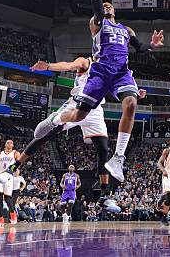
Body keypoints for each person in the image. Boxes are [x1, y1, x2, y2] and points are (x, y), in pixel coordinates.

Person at [31, 0, 164, 184]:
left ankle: (118, 158)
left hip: (121, 72)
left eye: (110, 5)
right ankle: (56, 119)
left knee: (131, 104)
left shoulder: (126, 29)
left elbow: (140, 48)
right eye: (104, 5)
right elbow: (96, 7)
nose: (107, 6)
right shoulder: (97, 24)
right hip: (100, 72)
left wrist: (151, 44)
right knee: (79, 115)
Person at [22, 53, 146, 213]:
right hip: (78, 103)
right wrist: (48, 66)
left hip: (95, 109)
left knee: (103, 149)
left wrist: (134, 93)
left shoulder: (108, 70)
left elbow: (116, 90)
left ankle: (104, 196)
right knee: (47, 135)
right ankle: (17, 163)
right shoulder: (86, 61)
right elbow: (67, 65)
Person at [0, 140, 20, 226]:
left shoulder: (15, 153)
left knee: (7, 198)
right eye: (7, 142)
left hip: (8, 175)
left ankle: (13, 215)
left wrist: (12, 169)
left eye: (11, 143)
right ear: (5, 144)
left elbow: (18, 163)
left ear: (13, 145)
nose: (9, 144)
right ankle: (0, 219)